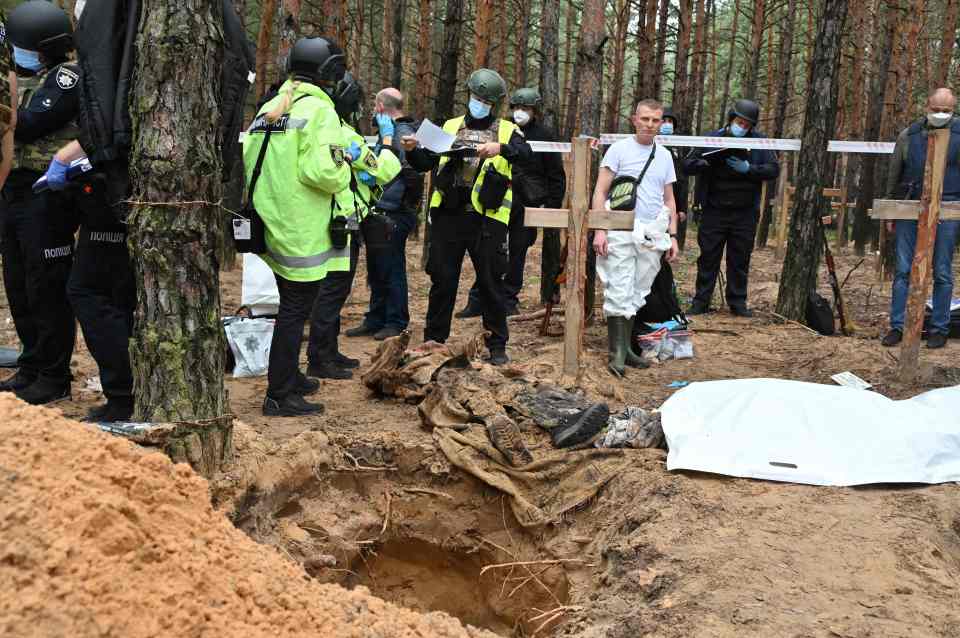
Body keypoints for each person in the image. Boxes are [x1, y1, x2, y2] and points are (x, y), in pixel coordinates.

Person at [38, 0, 254, 422]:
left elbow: (113, 108)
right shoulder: (186, 22)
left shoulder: (121, 22)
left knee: (90, 291)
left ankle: (124, 393)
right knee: (121, 293)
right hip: (148, 183)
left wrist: (71, 155)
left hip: (122, 184)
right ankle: (131, 389)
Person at [242, 37, 353, 417]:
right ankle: (280, 393)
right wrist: (346, 171)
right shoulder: (321, 112)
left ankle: (290, 376)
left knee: (292, 307)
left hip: (270, 222)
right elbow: (322, 170)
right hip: (300, 228)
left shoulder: (272, 106)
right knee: (293, 311)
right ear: (331, 72)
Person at [402, 68, 532, 365]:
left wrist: (500, 149)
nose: (478, 102)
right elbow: (425, 163)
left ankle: (496, 345)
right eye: (475, 96)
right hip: (450, 215)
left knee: (490, 283)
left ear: (494, 103)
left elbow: (526, 156)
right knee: (443, 281)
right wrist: (412, 151)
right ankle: (434, 341)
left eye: (484, 99)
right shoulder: (450, 126)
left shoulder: (508, 131)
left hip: (487, 218)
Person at [0, 1, 80, 405]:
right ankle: (31, 366)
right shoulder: (21, 79)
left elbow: (28, 125)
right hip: (11, 190)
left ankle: (54, 374)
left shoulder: (66, 77)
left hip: (45, 193)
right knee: (18, 283)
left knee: (46, 285)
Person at [306, 75, 401, 379]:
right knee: (332, 290)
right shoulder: (343, 133)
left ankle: (329, 350)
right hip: (342, 220)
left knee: (334, 289)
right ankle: (320, 357)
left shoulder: (331, 128)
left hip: (338, 217)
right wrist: (387, 140)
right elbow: (386, 169)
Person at [456, 87, 566, 317]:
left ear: (535, 111)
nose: (520, 112)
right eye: (516, 107)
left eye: (525, 108)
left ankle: (508, 300)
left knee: (518, 252)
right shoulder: (502, 128)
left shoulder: (545, 135)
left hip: (527, 202)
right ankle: (478, 299)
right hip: (496, 198)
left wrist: (551, 206)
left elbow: (555, 174)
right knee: (487, 251)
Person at [592, 99, 679, 377]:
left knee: (637, 291)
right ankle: (616, 352)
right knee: (617, 287)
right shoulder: (618, 150)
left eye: (656, 120)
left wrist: (673, 235)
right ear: (634, 119)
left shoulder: (665, 156)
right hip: (619, 229)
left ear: (661, 122)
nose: (650, 125)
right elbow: (600, 191)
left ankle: (627, 350)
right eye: (645, 119)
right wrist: (600, 229)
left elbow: (669, 198)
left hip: (652, 233)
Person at [682, 99, 779, 317]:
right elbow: (687, 165)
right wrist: (704, 163)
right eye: (739, 122)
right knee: (708, 257)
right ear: (730, 118)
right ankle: (701, 301)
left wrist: (750, 169)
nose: (742, 127)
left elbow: (773, 169)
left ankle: (737, 302)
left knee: (739, 259)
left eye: (747, 125)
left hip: (745, 213)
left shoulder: (760, 142)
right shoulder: (711, 137)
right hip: (713, 211)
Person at [881, 88, 960, 350]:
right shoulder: (909, 135)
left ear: (954, 109)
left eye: (946, 111)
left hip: (948, 210)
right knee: (903, 270)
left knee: (942, 272)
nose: (940, 114)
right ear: (927, 105)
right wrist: (892, 212)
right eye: (936, 109)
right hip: (910, 208)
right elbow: (894, 175)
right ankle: (898, 326)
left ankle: (939, 329)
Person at [344, 87, 422, 341]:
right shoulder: (389, 134)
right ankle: (376, 317)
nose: (372, 111)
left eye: (375, 106)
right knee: (377, 268)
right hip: (381, 209)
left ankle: (396, 321)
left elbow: (400, 171)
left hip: (395, 211)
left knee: (391, 268)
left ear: (381, 107)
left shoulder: (402, 134)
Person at [659, 105, 689, 251]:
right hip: (652, 202)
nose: (667, 124)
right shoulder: (649, 143)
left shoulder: (679, 147)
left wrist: (681, 208)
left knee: (669, 241)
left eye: (670, 121)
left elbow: (682, 180)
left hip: (672, 202)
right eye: (663, 120)